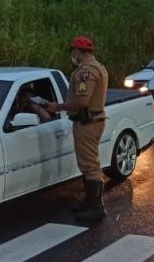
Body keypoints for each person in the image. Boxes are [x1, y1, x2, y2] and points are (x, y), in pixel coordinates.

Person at [46, 35, 110, 221]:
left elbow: (82, 101)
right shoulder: (98, 67)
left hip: (87, 123)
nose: (72, 56)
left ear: (77, 52)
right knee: (89, 163)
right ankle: (89, 202)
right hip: (93, 120)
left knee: (90, 166)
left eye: (73, 52)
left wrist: (57, 107)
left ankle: (96, 207)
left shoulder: (85, 72)